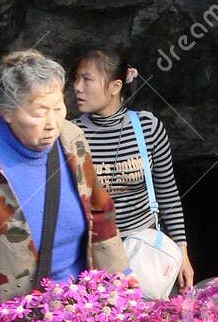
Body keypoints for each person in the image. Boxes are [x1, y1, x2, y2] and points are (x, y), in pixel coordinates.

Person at [0, 49, 130, 297]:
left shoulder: (72, 141)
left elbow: (100, 215)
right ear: (7, 112)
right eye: (38, 112)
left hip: (79, 314)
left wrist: (122, 289)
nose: (52, 123)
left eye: (58, 108)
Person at [70, 46, 194, 290]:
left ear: (115, 87)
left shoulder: (147, 128)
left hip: (146, 253)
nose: (77, 87)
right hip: (94, 257)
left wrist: (182, 253)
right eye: (76, 79)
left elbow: (167, 193)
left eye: (87, 80)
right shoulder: (71, 135)